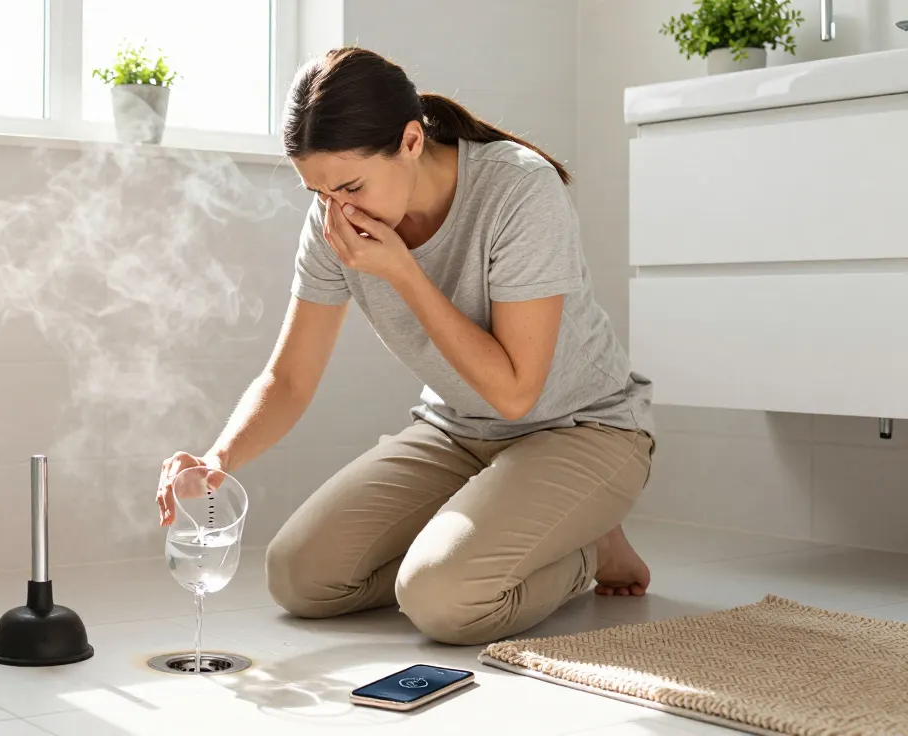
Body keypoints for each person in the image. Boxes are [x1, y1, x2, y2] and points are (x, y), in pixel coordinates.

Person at [155, 46, 656, 647]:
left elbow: (518, 392)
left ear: (412, 141)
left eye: (350, 185)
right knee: (299, 577)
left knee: (444, 603)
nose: (335, 210)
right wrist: (218, 460)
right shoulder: (332, 218)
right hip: (457, 430)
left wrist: (405, 274)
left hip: (582, 428)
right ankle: (485, 544)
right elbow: (289, 379)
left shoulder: (520, 189)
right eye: (317, 192)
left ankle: (589, 549)